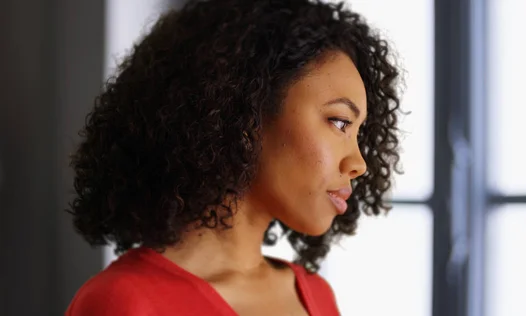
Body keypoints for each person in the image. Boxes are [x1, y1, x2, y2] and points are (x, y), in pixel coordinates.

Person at [65, 0, 405, 315]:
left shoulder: (316, 296)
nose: (359, 163)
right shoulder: (124, 302)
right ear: (246, 115)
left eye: (359, 132)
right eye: (339, 122)